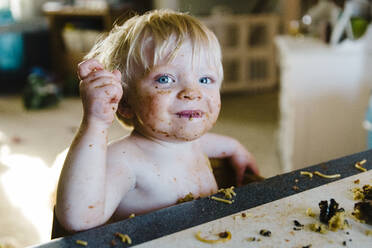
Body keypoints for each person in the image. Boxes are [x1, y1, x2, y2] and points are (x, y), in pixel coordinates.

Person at [55, 9, 259, 233]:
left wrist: (237, 149)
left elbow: (218, 144)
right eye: (165, 79)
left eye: (205, 79)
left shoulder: (189, 143)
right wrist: (95, 123)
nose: (192, 92)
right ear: (124, 103)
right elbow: (79, 218)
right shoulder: (125, 160)